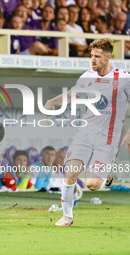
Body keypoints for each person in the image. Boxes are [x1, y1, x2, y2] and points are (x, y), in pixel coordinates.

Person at [44, 38, 130, 226]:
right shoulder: (87, 77)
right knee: (70, 172)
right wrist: (52, 102)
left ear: (108, 57)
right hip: (85, 134)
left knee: (92, 185)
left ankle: (107, 172)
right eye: (91, 56)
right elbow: (71, 95)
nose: (93, 60)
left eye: (97, 57)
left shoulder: (123, 78)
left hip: (107, 140)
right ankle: (67, 216)